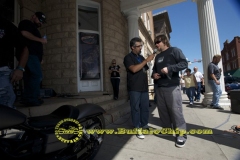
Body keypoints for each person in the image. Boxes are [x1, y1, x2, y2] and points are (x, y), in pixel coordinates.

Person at [152, 34, 188, 148]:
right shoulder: (157, 57)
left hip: (172, 86)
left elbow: (184, 63)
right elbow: (154, 69)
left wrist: (170, 68)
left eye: (158, 42)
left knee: (175, 111)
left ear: (164, 41)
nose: (156, 44)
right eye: (155, 43)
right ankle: (167, 129)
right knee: (163, 111)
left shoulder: (174, 51)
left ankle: (181, 135)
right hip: (159, 87)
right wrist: (154, 75)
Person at [123, 37, 155, 139]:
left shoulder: (141, 57)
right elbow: (134, 69)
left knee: (145, 108)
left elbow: (144, 69)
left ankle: (144, 124)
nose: (140, 47)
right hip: (134, 88)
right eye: (138, 46)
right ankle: (137, 127)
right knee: (135, 108)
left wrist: (146, 61)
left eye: (141, 45)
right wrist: (146, 60)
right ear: (132, 47)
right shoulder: (128, 58)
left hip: (144, 87)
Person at [18, 12, 47, 106]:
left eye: (43, 22)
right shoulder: (27, 23)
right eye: (40, 20)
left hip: (33, 56)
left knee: (29, 77)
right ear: (34, 16)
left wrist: (40, 58)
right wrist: (41, 40)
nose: (41, 23)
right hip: (30, 54)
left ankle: (27, 98)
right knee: (37, 75)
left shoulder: (34, 29)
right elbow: (24, 33)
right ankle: (32, 98)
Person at [0, 15, 29, 109]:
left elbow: (24, 48)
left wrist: (20, 68)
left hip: (2, 72)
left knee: (6, 109)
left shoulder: (5, 24)